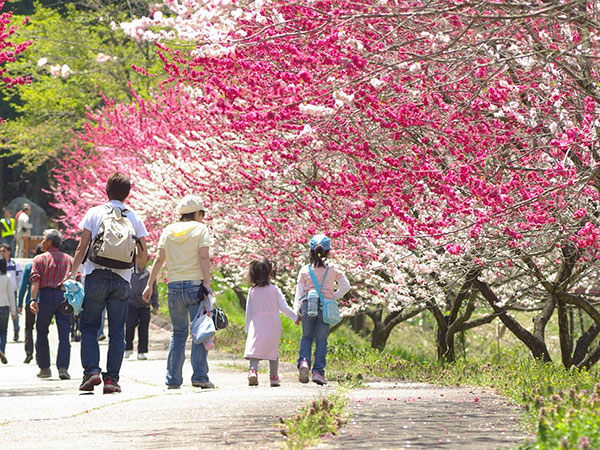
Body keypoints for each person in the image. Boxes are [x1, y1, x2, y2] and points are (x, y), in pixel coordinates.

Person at [69, 172, 148, 394]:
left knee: (90, 326)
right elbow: (143, 257)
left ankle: (92, 372)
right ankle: (112, 379)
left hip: (96, 275)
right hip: (122, 280)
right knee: (116, 331)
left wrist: (73, 273)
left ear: (106, 189)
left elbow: (81, 247)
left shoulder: (95, 213)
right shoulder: (134, 217)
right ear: (128, 193)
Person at [142, 194, 213, 390]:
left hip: (173, 286)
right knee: (199, 331)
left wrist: (149, 284)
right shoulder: (200, 229)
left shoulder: (168, 230)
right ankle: (200, 376)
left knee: (178, 334)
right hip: (195, 286)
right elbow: (204, 256)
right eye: (202, 213)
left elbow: (159, 259)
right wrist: (207, 283)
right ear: (198, 213)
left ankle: (173, 379)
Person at [294, 234, 350, 385]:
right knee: (321, 340)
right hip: (325, 306)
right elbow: (346, 286)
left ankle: (304, 362)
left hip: (308, 305)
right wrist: (333, 296)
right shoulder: (333, 269)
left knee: (306, 337)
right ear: (328, 251)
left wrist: (296, 313)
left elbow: (299, 293)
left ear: (311, 251)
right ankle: (318, 372)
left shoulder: (305, 270)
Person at [244, 259, 298, 387]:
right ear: (270, 274)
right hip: (273, 323)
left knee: (255, 348)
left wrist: (247, 328)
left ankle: (253, 371)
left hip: (256, 322)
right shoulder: (275, 289)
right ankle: (274, 376)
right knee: (272, 348)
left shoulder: (252, 291)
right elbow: (284, 308)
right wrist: (295, 317)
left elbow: (248, 311)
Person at [29, 230, 74, 379]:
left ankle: (45, 368)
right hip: (64, 297)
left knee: (42, 331)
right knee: (64, 334)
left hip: (46, 296)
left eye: (43, 239)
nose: (41, 242)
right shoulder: (69, 260)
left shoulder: (39, 259)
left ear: (49, 242)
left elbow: (35, 280)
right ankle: (63, 368)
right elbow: (76, 281)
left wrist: (33, 300)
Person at [125, 253, 158, 360]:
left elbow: (154, 289)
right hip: (132, 303)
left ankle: (142, 351)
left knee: (144, 328)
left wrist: (155, 304)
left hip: (145, 304)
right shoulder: (131, 272)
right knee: (129, 326)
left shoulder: (149, 273)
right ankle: (128, 348)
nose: (141, 260)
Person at [18, 244, 43, 364]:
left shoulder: (29, 266)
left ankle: (29, 352)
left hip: (31, 301)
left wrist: (19, 303)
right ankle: (41, 353)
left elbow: (23, 286)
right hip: (44, 300)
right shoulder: (47, 263)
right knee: (42, 329)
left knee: (29, 327)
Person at [0, 243, 22, 342]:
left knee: (14, 312)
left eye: (3, 251)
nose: (2, 253)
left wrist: (17, 287)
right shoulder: (1, 263)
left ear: (9, 252)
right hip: (4, 291)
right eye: (0, 251)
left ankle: (16, 329)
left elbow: (19, 279)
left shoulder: (14, 263)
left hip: (12, 290)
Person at [0, 258, 16, 364]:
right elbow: (11, 295)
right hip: (4, 306)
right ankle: (2, 351)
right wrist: (13, 311)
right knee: (3, 331)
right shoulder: (8, 277)